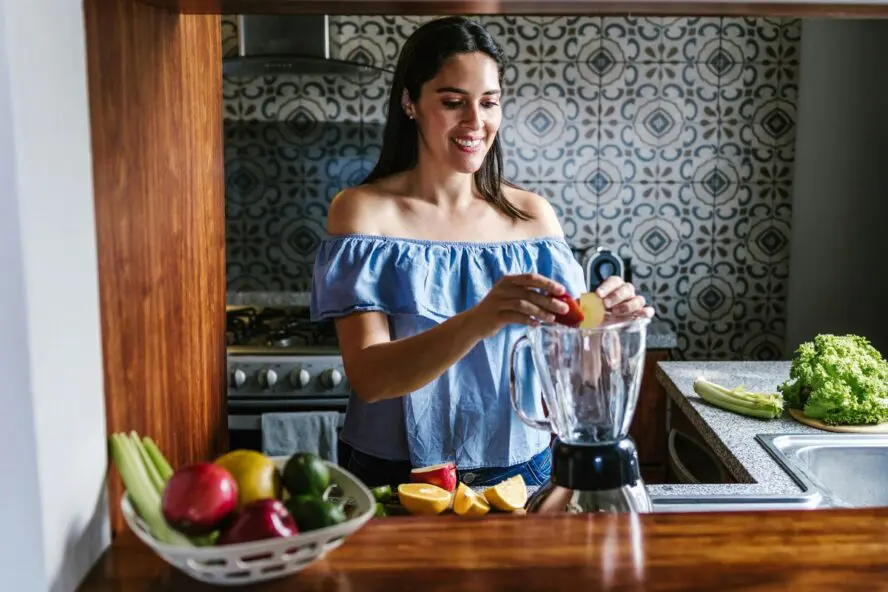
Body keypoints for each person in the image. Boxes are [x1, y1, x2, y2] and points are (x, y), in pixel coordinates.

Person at [310, 16, 654, 489]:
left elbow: (577, 374)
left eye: (489, 103)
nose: (476, 122)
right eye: (453, 102)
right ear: (409, 101)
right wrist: (481, 317)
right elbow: (371, 378)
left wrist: (606, 333)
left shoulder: (534, 217)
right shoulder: (362, 213)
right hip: (394, 475)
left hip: (523, 470)